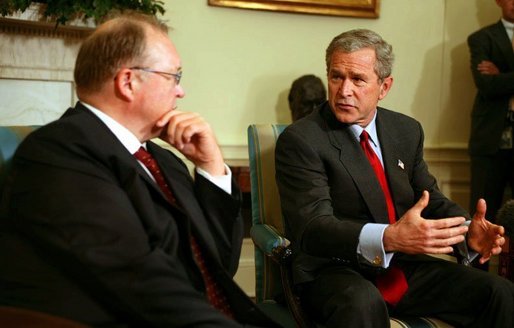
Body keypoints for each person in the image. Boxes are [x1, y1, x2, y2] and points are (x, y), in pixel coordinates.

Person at [0, 13, 280, 328]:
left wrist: (211, 165)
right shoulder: (59, 151)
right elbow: (138, 279)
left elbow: (216, 267)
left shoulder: (165, 160)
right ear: (128, 81)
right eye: (174, 76)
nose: (181, 91)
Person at [275, 28, 514, 327]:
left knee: (499, 293)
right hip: (333, 269)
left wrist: (466, 231)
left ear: (384, 87)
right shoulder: (302, 139)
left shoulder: (405, 130)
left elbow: (430, 198)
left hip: (402, 266)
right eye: (337, 77)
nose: (344, 90)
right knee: (363, 304)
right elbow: (312, 227)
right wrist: (388, 237)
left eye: (358, 79)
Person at [467, 0, 514, 224]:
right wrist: (495, 78)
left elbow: (498, 82)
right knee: (482, 216)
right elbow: (487, 86)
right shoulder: (481, 38)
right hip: (490, 140)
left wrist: (501, 73)